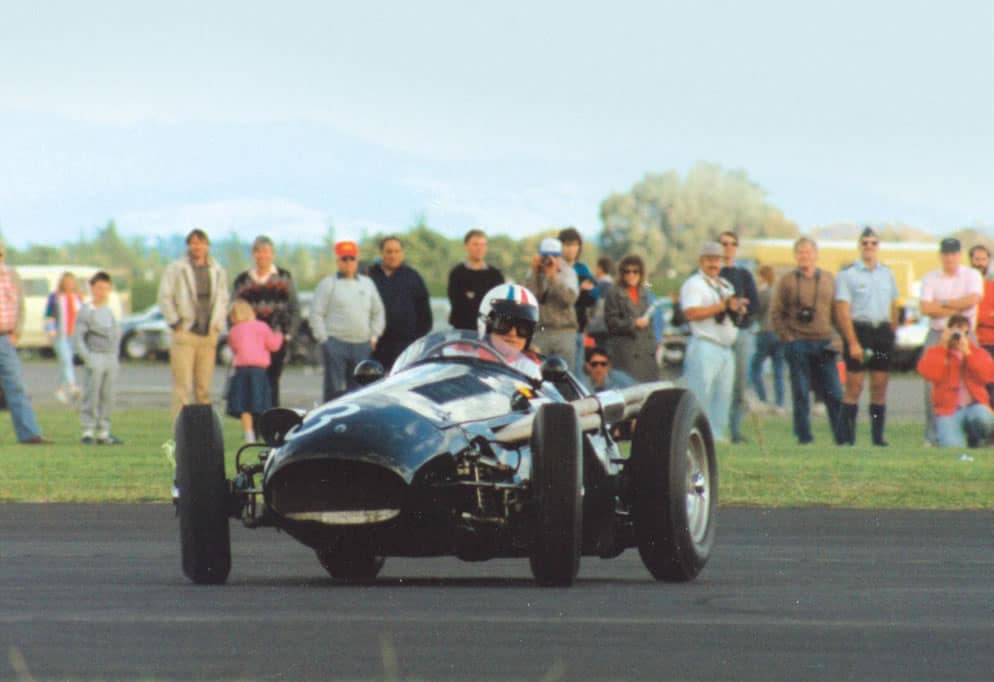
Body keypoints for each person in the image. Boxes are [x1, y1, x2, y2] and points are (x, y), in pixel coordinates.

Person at [770, 237, 844, 445]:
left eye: (808, 252)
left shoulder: (829, 279)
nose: (805, 256)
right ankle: (804, 438)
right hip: (798, 341)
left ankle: (842, 438)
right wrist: (787, 337)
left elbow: (837, 313)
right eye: (801, 252)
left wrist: (841, 339)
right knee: (801, 393)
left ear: (816, 255)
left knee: (835, 392)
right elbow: (776, 313)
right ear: (795, 255)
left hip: (824, 342)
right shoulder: (787, 281)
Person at [833, 227, 900, 446]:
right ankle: (846, 438)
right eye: (865, 243)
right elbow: (843, 311)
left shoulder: (887, 274)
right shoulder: (848, 274)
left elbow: (894, 306)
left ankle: (877, 437)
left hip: (881, 331)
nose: (869, 247)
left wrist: (891, 333)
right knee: (854, 386)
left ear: (878, 246)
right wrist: (852, 341)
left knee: (879, 386)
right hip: (859, 330)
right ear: (859, 246)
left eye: (873, 243)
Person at [158, 228, 230, 418]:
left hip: (208, 336)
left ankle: (202, 435)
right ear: (189, 245)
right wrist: (175, 323)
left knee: (203, 389)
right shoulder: (177, 268)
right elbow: (165, 297)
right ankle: (181, 434)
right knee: (183, 388)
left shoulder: (217, 270)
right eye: (194, 243)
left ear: (207, 245)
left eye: (201, 242)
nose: (197, 247)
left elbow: (223, 299)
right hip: (186, 333)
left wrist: (218, 325)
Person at [918, 238, 983, 446]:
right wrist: (957, 308)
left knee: (973, 380)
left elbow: (973, 299)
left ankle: (975, 433)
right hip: (939, 333)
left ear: (959, 254)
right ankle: (932, 435)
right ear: (941, 255)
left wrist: (943, 304)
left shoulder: (971, 275)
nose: (950, 258)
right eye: (946, 254)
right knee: (932, 385)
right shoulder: (930, 278)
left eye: (954, 254)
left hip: (965, 333)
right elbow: (926, 308)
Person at [679, 242, 740, 441]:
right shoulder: (694, 284)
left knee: (723, 396)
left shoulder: (725, 285)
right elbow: (690, 312)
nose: (714, 264)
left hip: (726, 347)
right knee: (701, 394)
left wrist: (738, 308)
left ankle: (717, 438)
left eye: (717, 260)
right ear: (702, 261)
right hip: (705, 344)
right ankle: (695, 437)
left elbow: (729, 308)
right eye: (710, 260)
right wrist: (721, 306)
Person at [310, 239, 386, 402]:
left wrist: (374, 336)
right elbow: (316, 313)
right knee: (334, 389)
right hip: (336, 343)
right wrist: (324, 339)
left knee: (360, 390)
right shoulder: (328, 284)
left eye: (352, 258)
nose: (348, 263)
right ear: (337, 261)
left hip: (362, 344)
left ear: (356, 260)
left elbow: (378, 312)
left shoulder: (367, 284)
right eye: (344, 259)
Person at [231, 235, 301, 407]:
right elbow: (232, 311)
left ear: (272, 254)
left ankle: (272, 425)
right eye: (259, 252)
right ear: (253, 254)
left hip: (276, 341)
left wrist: (288, 335)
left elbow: (295, 309)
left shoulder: (284, 278)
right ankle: (252, 430)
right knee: (251, 386)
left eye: (266, 252)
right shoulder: (242, 281)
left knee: (272, 383)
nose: (262, 256)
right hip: (250, 344)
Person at [0, 241, 51, 444]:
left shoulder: (11, 275)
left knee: (16, 385)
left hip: (5, 337)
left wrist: (16, 331)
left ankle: (29, 434)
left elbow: (20, 304)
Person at [917, 314, 994, 448]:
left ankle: (978, 438)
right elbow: (930, 374)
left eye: (964, 332)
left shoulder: (978, 353)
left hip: (974, 406)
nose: (958, 336)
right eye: (955, 331)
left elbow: (987, 376)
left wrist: (968, 353)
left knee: (984, 418)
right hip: (949, 410)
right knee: (952, 446)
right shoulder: (935, 352)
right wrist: (943, 347)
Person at [718, 231, 760, 443]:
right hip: (717, 335)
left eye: (732, 243)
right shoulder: (710, 274)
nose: (728, 247)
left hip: (741, 332)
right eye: (723, 243)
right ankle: (715, 430)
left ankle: (734, 430)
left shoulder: (744, 274)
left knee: (739, 384)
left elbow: (755, 304)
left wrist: (743, 307)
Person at [368, 236, 432, 370]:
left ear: (402, 253)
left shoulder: (413, 277)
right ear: (381, 253)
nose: (393, 255)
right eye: (389, 251)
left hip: (405, 346)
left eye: (397, 251)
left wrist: (417, 340)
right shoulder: (369, 276)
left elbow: (424, 313)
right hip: (375, 345)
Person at [74, 271, 122, 445]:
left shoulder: (109, 310)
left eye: (106, 288)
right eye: (99, 288)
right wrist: (87, 357)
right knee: (92, 393)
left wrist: (115, 356)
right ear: (92, 288)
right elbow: (79, 337)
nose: (102, 292)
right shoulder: (87, 311)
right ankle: (88, 429)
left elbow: (116, 334)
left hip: (110, 357)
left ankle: (103, 431)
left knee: (107, 395)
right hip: (95, 356)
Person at [225, 299, 284, 443]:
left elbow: (234, 348)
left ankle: (249, 435)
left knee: (244, 405)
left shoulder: (234, 330)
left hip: (241, 370)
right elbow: (273, 345)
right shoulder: (262, 327)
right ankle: (266, 432)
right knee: (261, 404)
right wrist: (280, 336)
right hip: (259, 371)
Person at [604, 255, 660, 383]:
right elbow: (610, 322)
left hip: (647, 352)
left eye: (635, 271)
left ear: (641, 274)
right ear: (621, 273)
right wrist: (633, 323)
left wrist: (654, 343)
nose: (631, 275)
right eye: (627, 271)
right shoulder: (613, 293)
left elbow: (651, 322)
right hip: (626, 353)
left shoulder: (645, 293)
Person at [525, 238, 579, 367]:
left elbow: (569, 299)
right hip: (541, 331)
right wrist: (534, 273)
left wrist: (553, 278)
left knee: (564, 374)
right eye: (545, 256)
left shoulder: (568, 273)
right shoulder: (534, 272)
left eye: (554, 256)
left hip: (564, 332)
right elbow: (530, 298)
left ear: (560, 256)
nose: (549, 260)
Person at [475, 283, 543, 380]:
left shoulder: (534, 371)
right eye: (503, 324)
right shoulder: (462, 358)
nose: (513, 334)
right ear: (486, 325)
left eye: (524, 327)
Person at [558, 227, 599, 375]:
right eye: (567, 245)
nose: (571, 249)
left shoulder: (582, 269)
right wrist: (579, 290)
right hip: (559, 328)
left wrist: (580, 292)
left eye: (574, 245)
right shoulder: (556, 269)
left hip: (579, 327)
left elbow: (593, 295)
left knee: (577, 372)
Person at [447, 229, 505, 331]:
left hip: (489, 332)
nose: (480, 249)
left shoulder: (495, 275)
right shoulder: (457, 274)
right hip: (463, 332)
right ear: (466, 246)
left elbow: (499, 306)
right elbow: (457, 305)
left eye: (483, 245)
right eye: (476, 244)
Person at [44, 271, 85, 404]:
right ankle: (72, 387)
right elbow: (49, 314)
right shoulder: (55, 297)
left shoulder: (77, 297)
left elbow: (83, 315)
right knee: (66, 359)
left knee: (65, 362)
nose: (69, 284)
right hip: (59, 334)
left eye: (71, 282)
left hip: (73, 334)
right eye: (66, 282)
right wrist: (50, 330)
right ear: (62, 283)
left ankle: (60, 390)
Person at [749, 264, 785, 415]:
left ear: (762, 276)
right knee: (778, 371)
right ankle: (779, 404)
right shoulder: (779, 293)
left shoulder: (762, 292)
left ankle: (762, 399)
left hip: (765, 332)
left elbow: (756, 313)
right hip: (780, 334)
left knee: (755, 368)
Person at [968, 244, 994, 405]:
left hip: (990, 345)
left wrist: (980, 318)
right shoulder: (964, 286)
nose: (980, 263)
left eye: (983, 259)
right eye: (976, 259)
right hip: (970, 343)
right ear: (970, 260)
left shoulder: (991, 286)